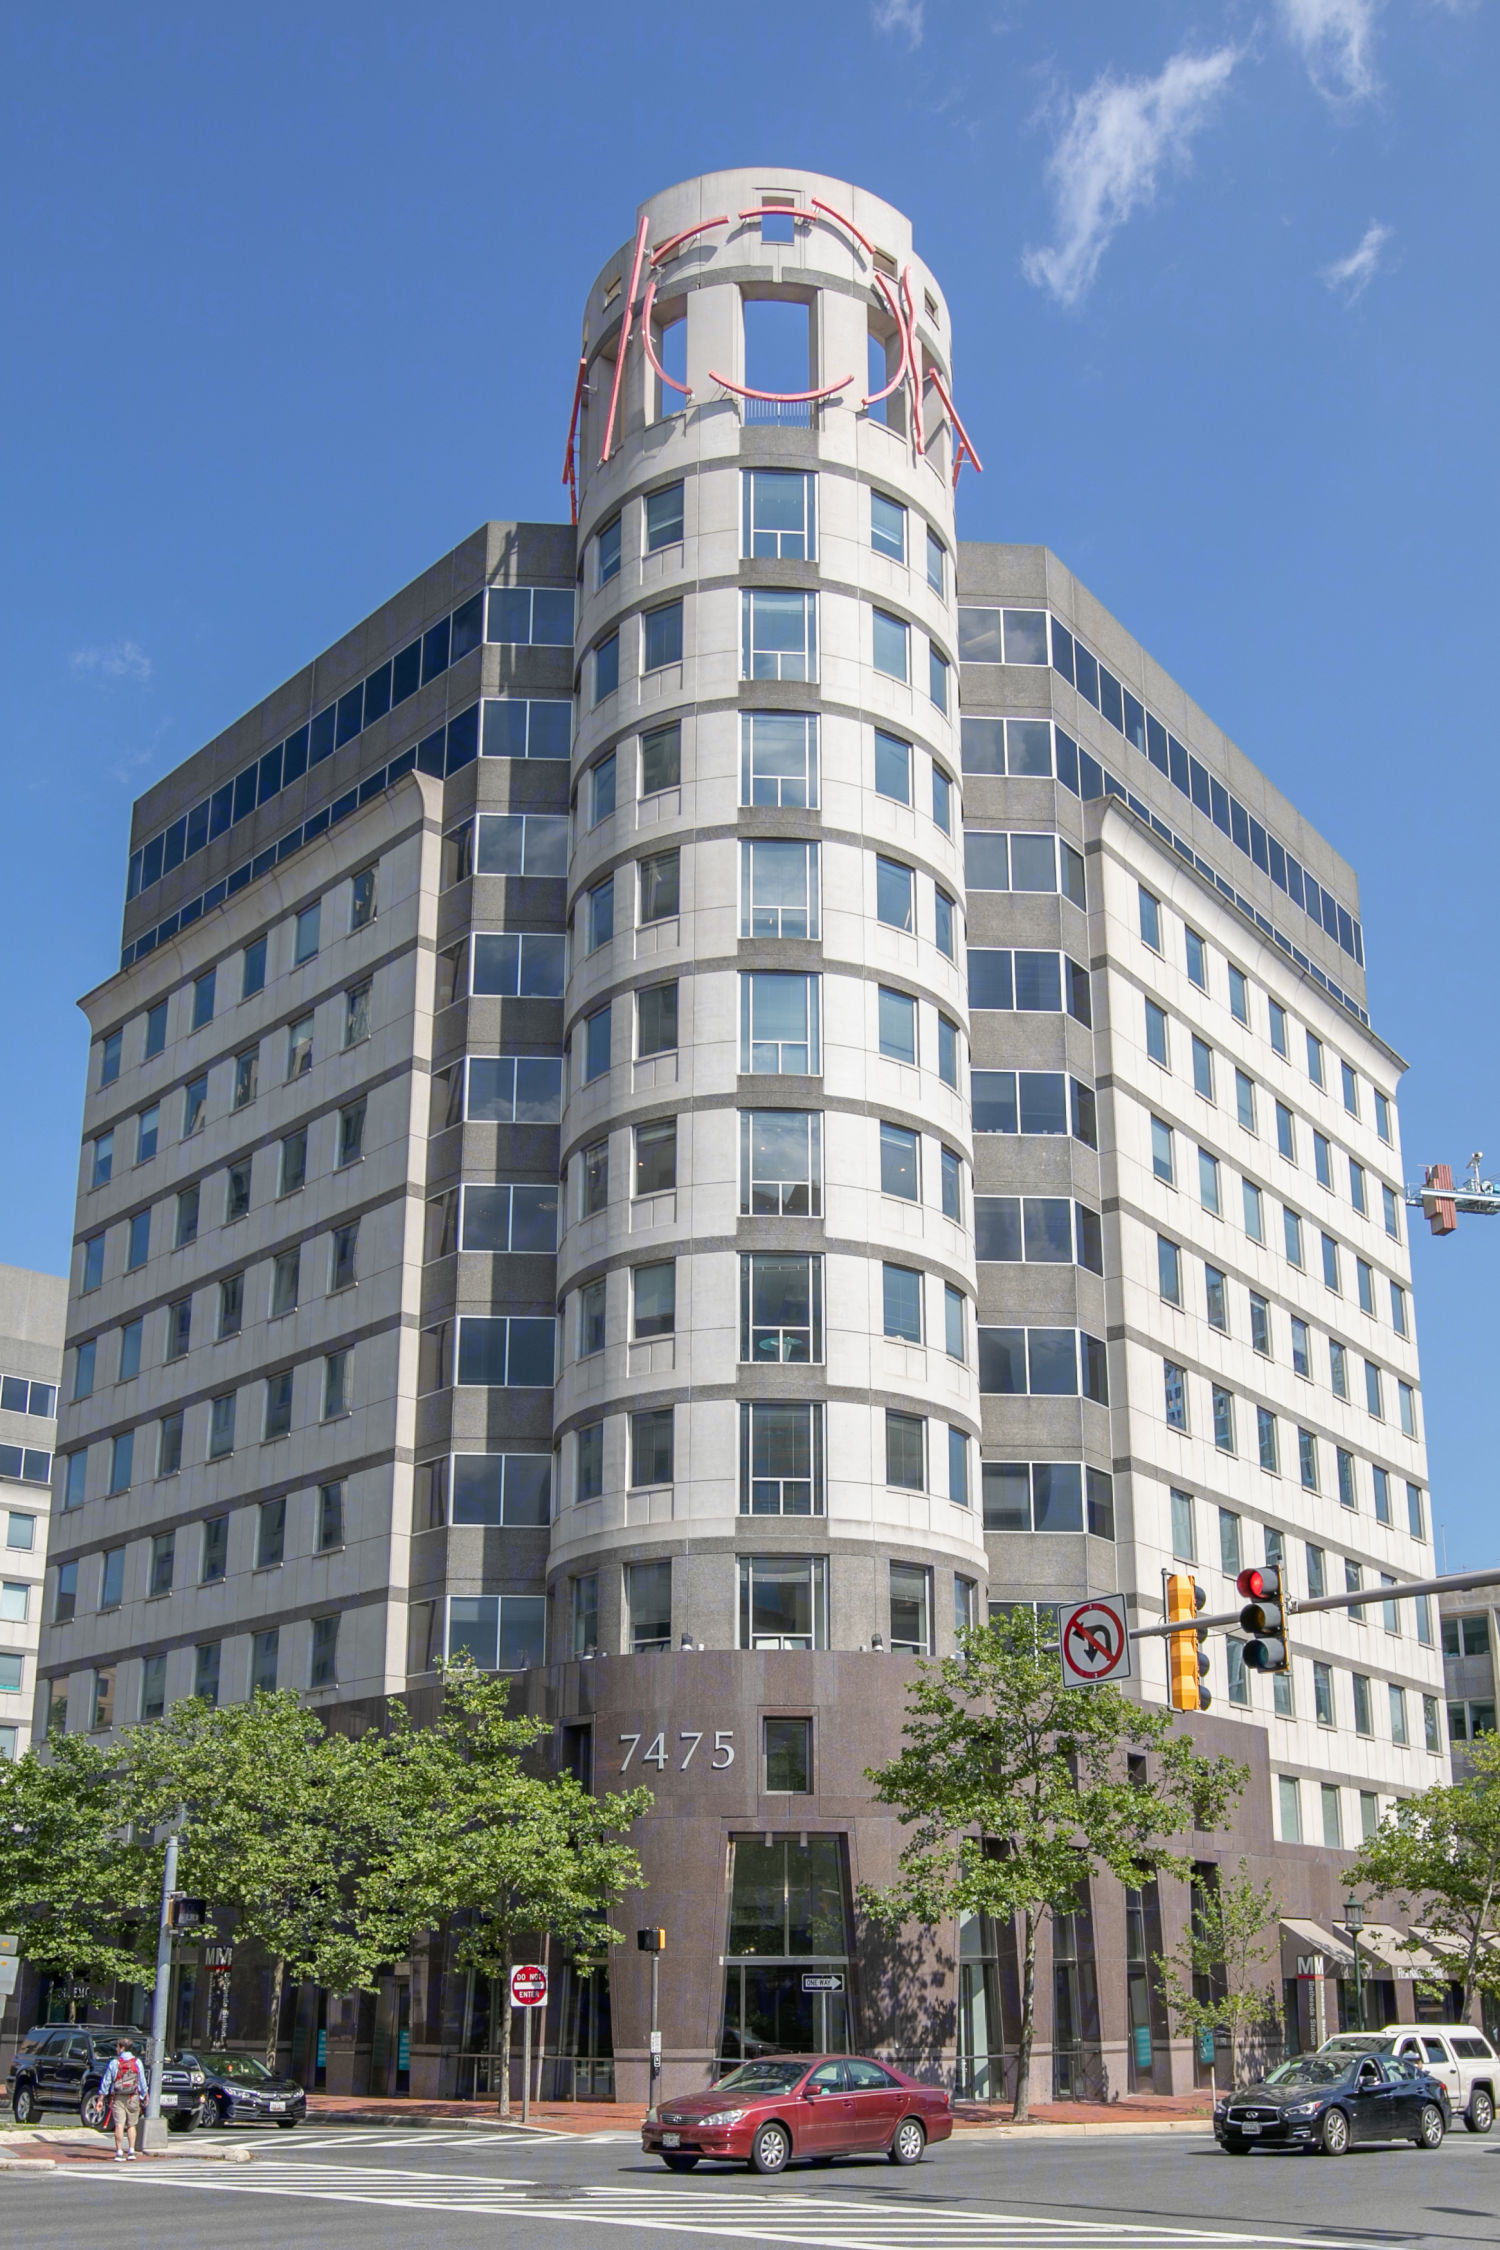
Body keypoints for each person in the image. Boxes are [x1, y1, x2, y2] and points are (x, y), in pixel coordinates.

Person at [100, 2041, 145, 2161]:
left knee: (119, 2124)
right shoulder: (137, 2062)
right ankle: (131, 2151)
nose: (116, 2049)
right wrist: (144, 2095)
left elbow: (107, 2081)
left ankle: (119, 2151)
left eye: (117, 2046)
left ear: (122, 2048)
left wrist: (101, 2097)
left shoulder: (114, 2063)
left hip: (118, 2097)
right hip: (133, 2096)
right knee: (131, 2125)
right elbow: (142, 2081)